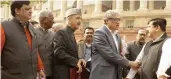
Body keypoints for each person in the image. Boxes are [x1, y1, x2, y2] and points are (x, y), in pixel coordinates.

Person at [0, 1, 45, 79]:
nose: (31, 11)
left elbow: (34, 50)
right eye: (27, 9)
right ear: (17, 11)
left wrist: (40, 68)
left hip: (32, 75)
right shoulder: (4, 27)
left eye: (31, 8)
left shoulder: (31, 27)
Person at [89, 10, 140, 79]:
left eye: (119, 19)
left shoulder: (117, 35)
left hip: (116, 73)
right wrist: (129, 63)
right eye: (114, 19)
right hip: (102, 73)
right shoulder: (99, 33)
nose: (118, 22)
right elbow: (109, 54)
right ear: (106, 21)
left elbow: (119, 54)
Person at [52, 8, 86, 79]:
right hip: (62, 73)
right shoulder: (61, 33)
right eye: (77, 18)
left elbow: (70, 53)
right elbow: (59, 52)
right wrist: (76, 61)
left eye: (80, 19)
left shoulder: (71, 34)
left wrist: (79, 60)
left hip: (70, 72)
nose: (79, 21)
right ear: (69, 19)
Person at [35, 10, 54, 79]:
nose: (53, 21)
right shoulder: (32, 33)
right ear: (45, 20)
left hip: (50, 73)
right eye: (52, 19)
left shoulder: (53, 34)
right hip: (36, 73)